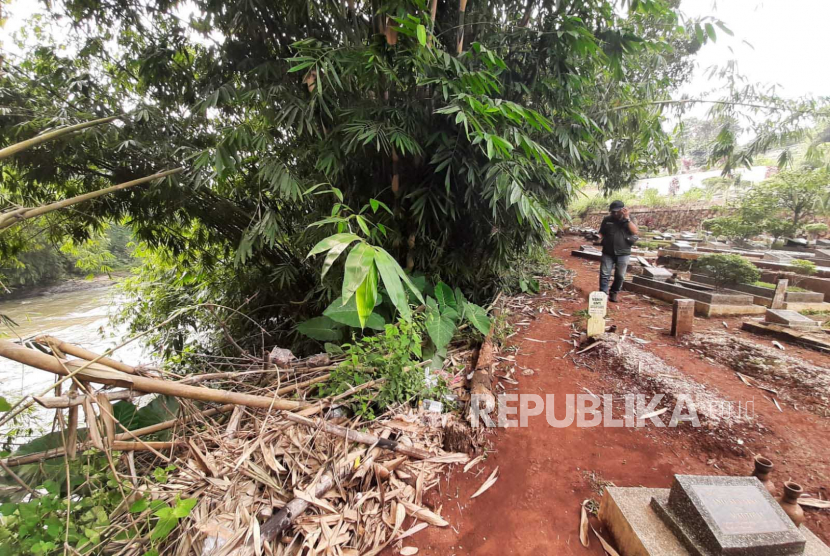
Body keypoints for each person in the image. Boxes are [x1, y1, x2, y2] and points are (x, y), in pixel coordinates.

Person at [598, 200, 639, 302]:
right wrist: (597, 237)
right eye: (613, 212)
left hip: (623, 252)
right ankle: (602, 293)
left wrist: (627, 218)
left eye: (617, 211)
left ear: (623, 210)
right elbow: (602, 232)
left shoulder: (630, 219)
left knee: (620, 275)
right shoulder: (607, 219)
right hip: (608, 251)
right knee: (604, 273)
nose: (615, 213)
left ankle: (614, 292)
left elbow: (634, 231)